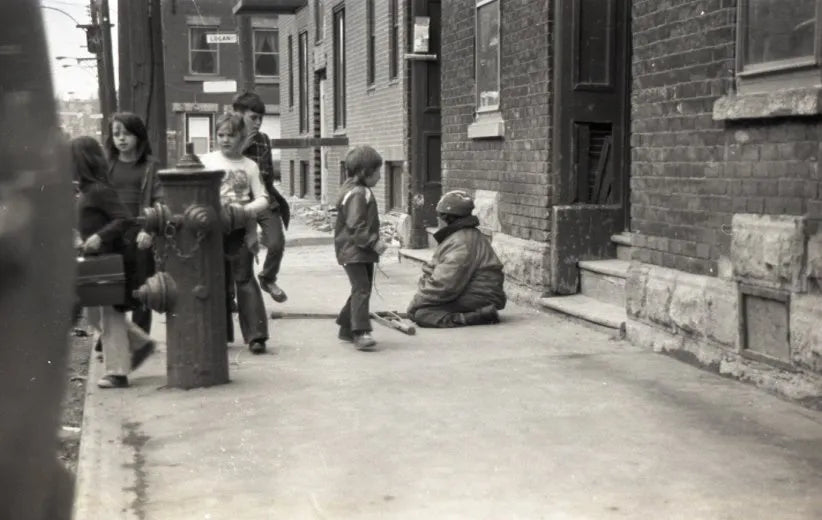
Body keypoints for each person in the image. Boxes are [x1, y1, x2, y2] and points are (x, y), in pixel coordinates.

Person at [72, 136, 156, 388]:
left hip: (109, 260)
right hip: (95, 260)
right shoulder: (86, 191)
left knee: (108, 315)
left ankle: (117, 372)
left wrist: (99, 237)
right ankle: (140, 343)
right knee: (96, 316)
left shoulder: (99, 190)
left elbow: (123, 219)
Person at [199, 113, 271, 354]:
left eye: (231, 135)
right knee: (215, 280)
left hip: (240, 229)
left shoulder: (250, 166)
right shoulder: (206, 161)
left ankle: (256, 336)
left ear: (242, 138)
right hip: (211, 229)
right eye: (221, 134)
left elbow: (263, 197)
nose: (225, 140)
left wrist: (246, 212)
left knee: (244, 278)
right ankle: (219, 334)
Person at [407, 190, 506, 328]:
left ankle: (477, 316)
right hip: (479, 292)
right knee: (422, 310)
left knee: (423, 314)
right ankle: (479, 313)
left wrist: (417, 302)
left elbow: (445, 284)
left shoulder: (461, 241)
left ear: (446, 216)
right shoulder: (461, 236)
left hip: (481, 296)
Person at [105, 112, 163, 335]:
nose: (121, 138)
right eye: (117, 133)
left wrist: (149, 228)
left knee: (141, 285)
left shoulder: (150, 166)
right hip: (112, 233)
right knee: (112, 286)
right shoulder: (107, 165)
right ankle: (112, 336)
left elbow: (160, 199)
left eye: (127, 133)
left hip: (139, 234)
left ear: (138, 136)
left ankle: (139, 336)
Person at [233, 91, 291, 303]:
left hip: (262, 198)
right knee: (236, 251)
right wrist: (241, 147)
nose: (258, 123)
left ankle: (268, 277)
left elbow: (266, 175)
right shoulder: (228, 137)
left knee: (276, 242)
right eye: (253, 118)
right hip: (237, 202)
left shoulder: (264, 140)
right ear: (238, 115)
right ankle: (230, 297)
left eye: (261, 119)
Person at [334, 145, 388, 351]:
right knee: (362, 289)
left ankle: (346, 327)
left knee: (360, 288)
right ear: (365, 172)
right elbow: (356, 224)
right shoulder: (358, 193)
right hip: (355, 250)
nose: (380, 177)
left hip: (357, 251)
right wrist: (374, 242)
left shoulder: (353, 189)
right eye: (377, 172)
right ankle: (360, 332)